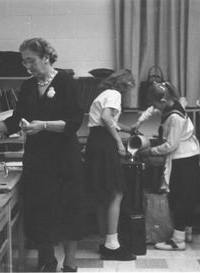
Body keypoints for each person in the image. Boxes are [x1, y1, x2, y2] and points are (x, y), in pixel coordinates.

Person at [0, 38, 84, 272]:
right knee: (41, 208)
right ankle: (47, 261)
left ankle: (70, 262)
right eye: (24, 62)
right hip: (38, 158)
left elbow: (73, 122)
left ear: (46, 57)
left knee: (70, 207)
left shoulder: (67, 82)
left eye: (31, 60)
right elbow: (17, 119)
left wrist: (43, 125)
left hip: (64, 157)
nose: (27, 66)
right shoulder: (28, 86)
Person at [135, 82, 200, 250]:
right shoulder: (172, 103)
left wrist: (149, 152)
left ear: (163, 100)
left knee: (180, 196)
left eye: (155, 103)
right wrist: (139, 122)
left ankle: (178, 241)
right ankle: (186, 231)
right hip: (187, 154)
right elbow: (153, 109)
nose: (153, 107)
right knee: (186, 195)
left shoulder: (175, 117)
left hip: (183, 157)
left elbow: (170, 145)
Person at [84, 69, 137, 261]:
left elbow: (107, 120)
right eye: (130, 85)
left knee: (102, 193)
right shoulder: (115, 95)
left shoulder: (104, 93)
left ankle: (106, 240)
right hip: (104, 143)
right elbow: (106, 118)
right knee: (116, 192)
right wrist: (119, 142)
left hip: (94, 142)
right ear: (125, 84)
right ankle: (112, 245)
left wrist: (127, 129)